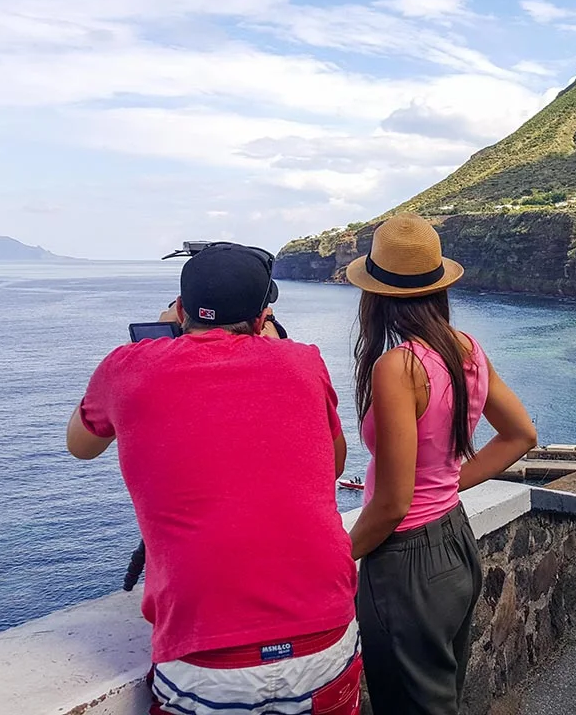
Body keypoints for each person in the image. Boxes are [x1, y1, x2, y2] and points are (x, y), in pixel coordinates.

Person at [65, 243, 361, 715]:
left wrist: (157, 341)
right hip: (323, 635)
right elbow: (336, 464)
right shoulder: (304, 361)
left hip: (207, 656)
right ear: (264, 316)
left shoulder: (127, 366)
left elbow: (79, 445)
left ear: (181, 309)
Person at [346, 215, 537, 715]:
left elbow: (392, 503)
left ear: (376, 294)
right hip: (454, 539)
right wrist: (450, 483)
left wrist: (338, 558)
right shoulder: (467, 348)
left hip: (405, 560)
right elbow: (520, 436)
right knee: (438, 698)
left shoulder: (397, 367)